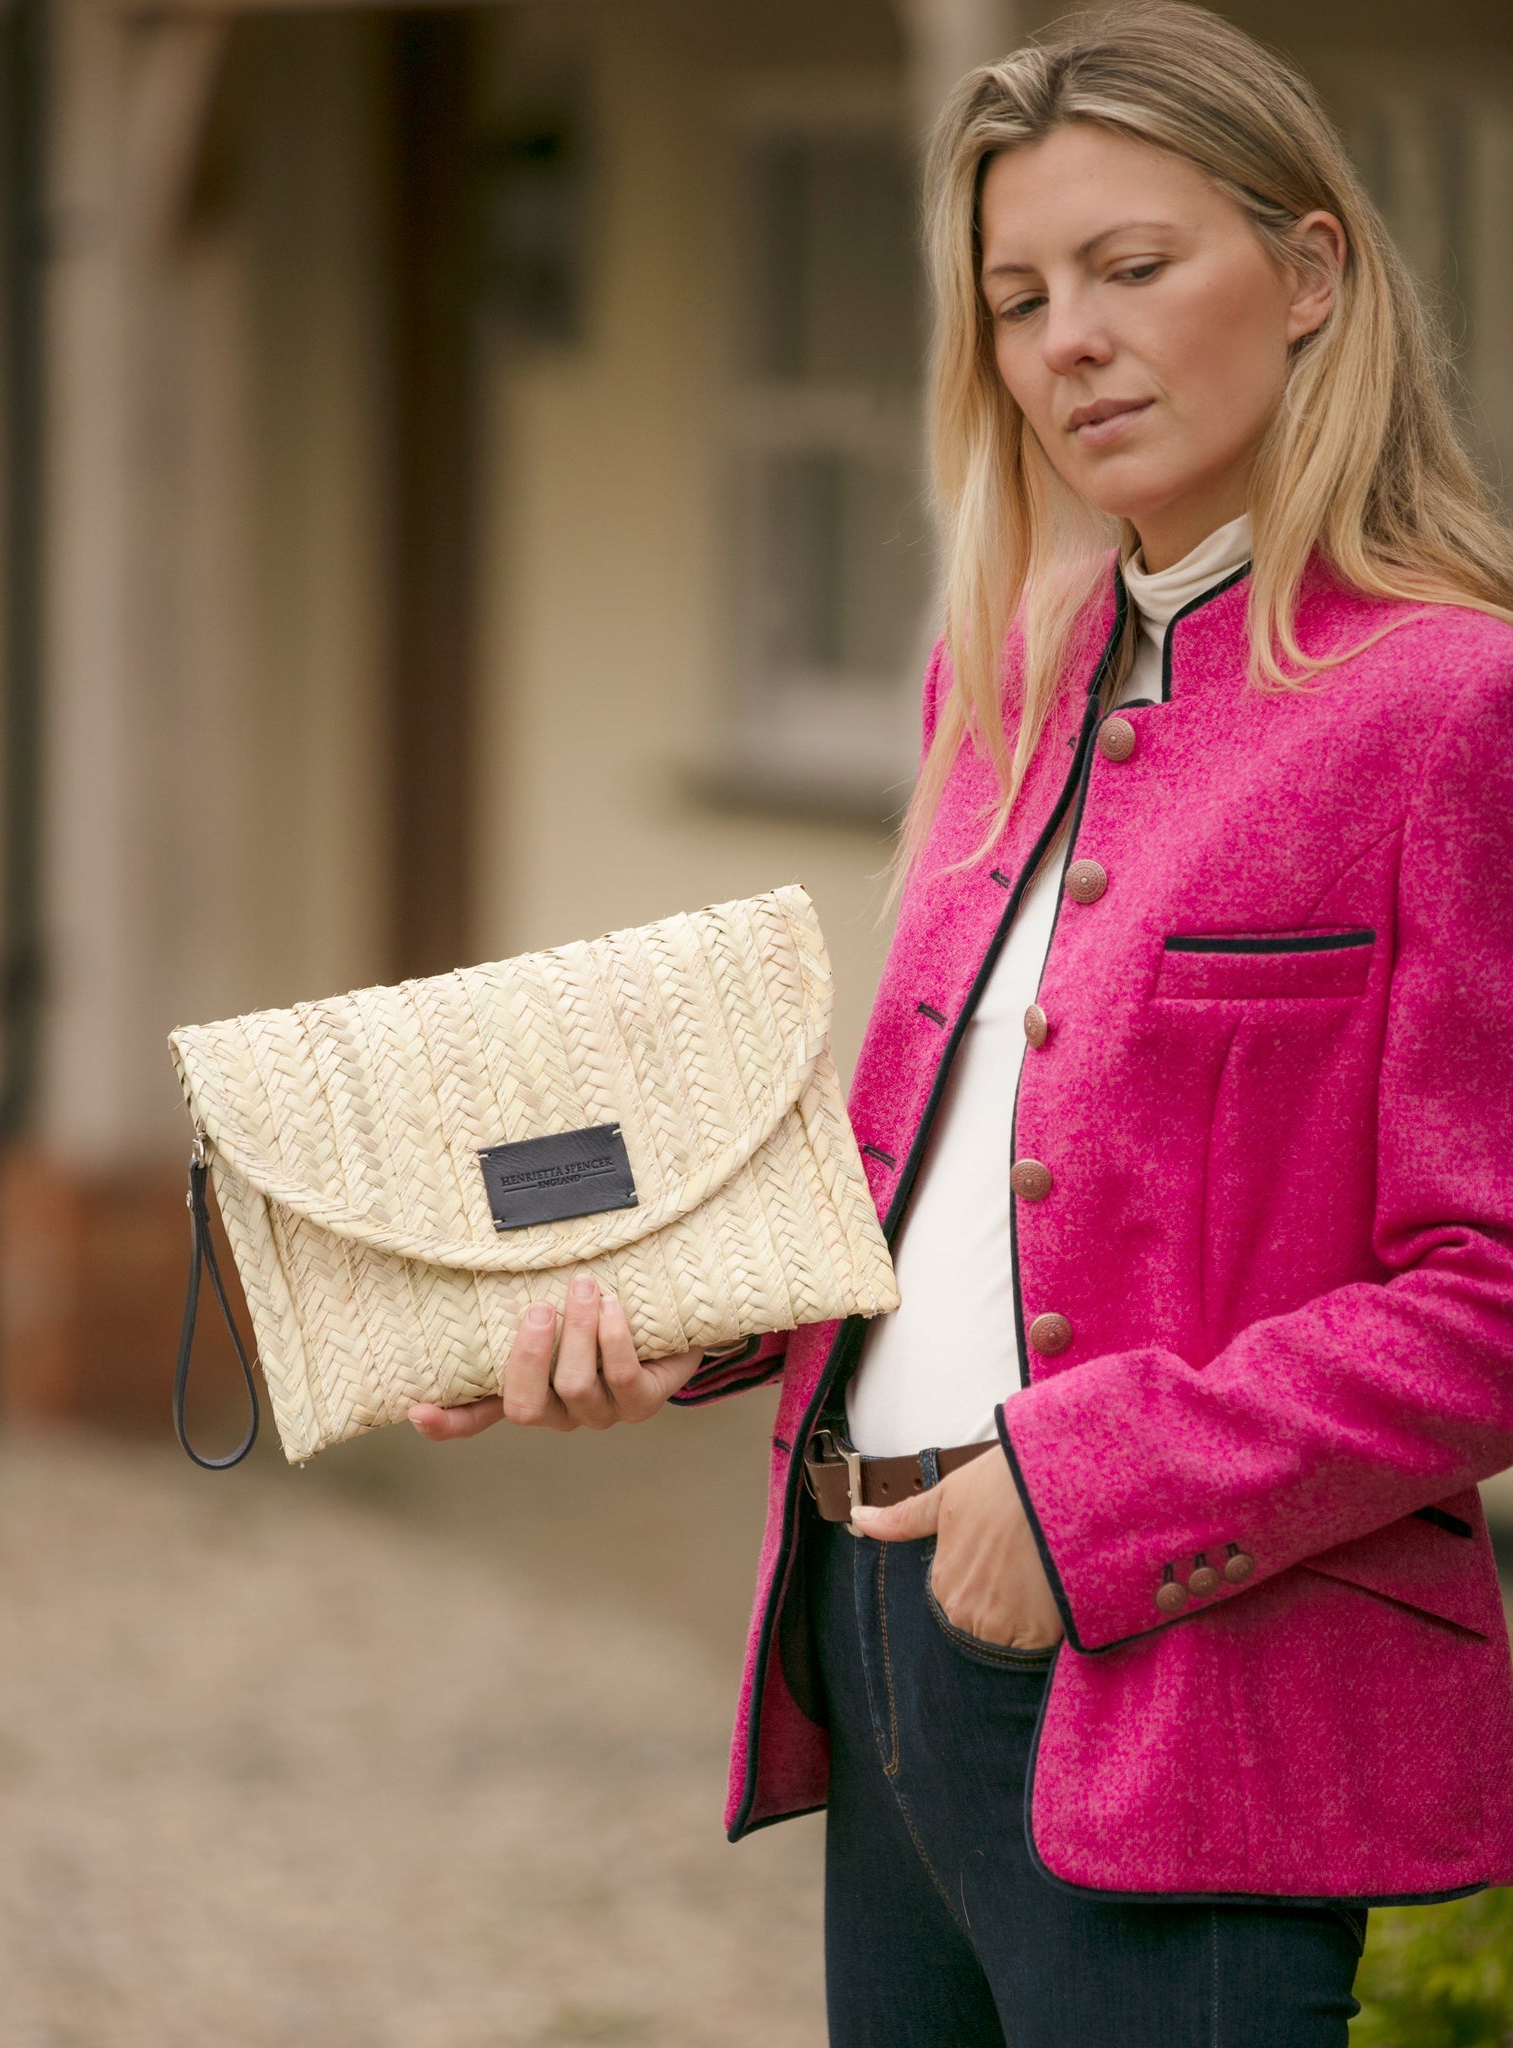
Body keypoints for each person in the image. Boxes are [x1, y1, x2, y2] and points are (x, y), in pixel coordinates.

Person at [409, 7, 1513, 2041]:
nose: (1063, 339)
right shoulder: (1001, 676)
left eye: (1129, 266)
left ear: (1312, 274)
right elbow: (918, 1180)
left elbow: (1491, 1291)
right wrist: (671, 1312)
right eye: (1015, 297)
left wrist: (1095, 1495)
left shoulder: (1454, 706)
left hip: (1196, 1700)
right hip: (872, 1634)